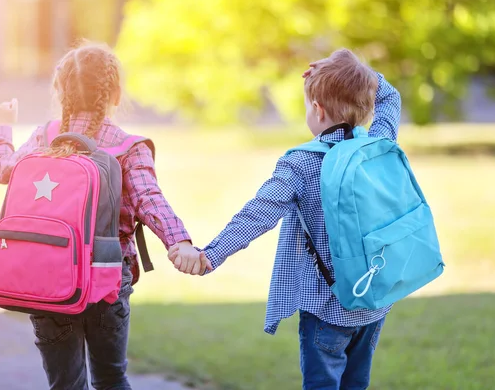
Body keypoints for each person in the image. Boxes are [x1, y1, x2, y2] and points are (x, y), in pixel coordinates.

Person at [169, 49, 401, 389]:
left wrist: (209, 256)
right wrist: (356, 74)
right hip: (373, 303)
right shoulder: (379, 144)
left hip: (326, 309)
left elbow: (257, 214)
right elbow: (390, 95)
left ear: (318, 110)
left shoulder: (301, 165)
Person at [0, 40, 207, 390]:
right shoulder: (128, 146)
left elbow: (3, 171)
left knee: (65, 385)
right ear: (115, 93)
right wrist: (178, 241)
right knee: (110, 379)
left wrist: (2, 127)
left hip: (46, 275)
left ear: (61, 92)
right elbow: (149, 199)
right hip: (106, 279)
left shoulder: (45, 138)